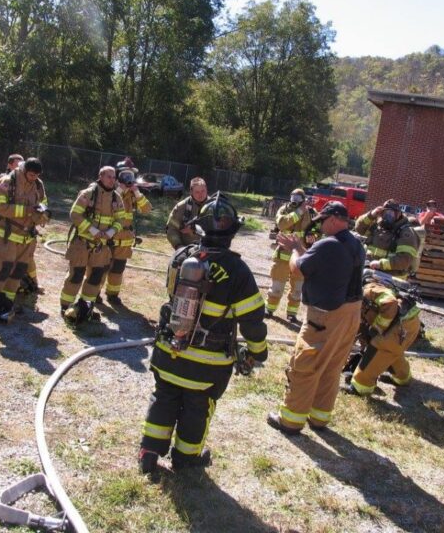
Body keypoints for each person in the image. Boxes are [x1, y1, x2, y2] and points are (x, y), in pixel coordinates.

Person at [139, 193, 268, 473]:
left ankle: (149, 451)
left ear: (199, 227)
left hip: (170, 350)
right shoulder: (238, 270)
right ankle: (186, 458)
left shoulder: (181, 257)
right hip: (207, 366)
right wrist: (258, 352)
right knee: (197, 409)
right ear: (233, 231)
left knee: (164, 397)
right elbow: (252, 321)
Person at [266, 201, 364, 434]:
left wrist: (293, 250)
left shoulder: (328, 244)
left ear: (333, 219)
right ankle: (319, 418)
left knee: (305, 364)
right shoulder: (355, 244)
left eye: (322, 222)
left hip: (324, 317)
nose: (320, 227)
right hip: (351, 314)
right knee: (332, 366)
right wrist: (302, 248)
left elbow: (298, 268)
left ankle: (290, 420)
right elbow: (313, 263)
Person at [0, 158, 49, 321]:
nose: (33, 178)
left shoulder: (38, 184)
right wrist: (28, 210)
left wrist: (42, 214)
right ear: (24, 170)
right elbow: (1, 207)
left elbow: (43, 203)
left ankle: (7, 302)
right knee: (2, 268)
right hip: (5, 234)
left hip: (26, 237)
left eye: (36, 175)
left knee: (18, 270)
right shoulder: (7, 182)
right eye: (31, 175)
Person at [60, 166, 123, 323]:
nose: (112, 180)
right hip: (82, 243)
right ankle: (65, 306)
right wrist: (92, 230)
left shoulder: (116, 198)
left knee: (95, 277)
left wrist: (111, 232)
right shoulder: (88, 193)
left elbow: (121, 219)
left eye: (114, 177)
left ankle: (85, 307)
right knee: (76, 275)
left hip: (101, 247)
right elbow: (75, 214)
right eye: (109, 176)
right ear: (100, 176)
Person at [344, 269, 422, 395]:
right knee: (392, 352)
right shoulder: (374, 291)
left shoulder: (369, 290)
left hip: (398, 330)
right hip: (410, 326)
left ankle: (360, 387)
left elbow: (390, 303)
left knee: (377, 351)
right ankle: (402, 378)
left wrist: (377, 328)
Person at [98, 158, 151, 306]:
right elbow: (106, 204)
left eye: (130, 175)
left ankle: (112, 294)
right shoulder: (109, 191)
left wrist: (137, 192)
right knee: (102, 268)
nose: (128, 178)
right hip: (110, 237)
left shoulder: (133, 194)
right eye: (125, 175)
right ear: (118, 176)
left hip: (125, 240)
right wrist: (120, 190)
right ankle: (94, 293)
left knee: (118, 270)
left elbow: (147, 209)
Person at [266, 188, 314, 324]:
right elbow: (282, 224)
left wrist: (313, 236)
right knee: (277, 286)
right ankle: (269, 309)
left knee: (297, 289)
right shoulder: (284, 209)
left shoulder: (310, 213)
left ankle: (292, 314)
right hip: (282, 256)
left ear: (303, 200)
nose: (294, 201)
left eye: (298, 198)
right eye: (293, 197)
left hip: (300, 257)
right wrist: (299, 212)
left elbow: (316, 229)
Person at [354, 199, 420, 279]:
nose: (388, 216)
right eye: (385, 212)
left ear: (398, 214)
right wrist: (371, 215)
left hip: (392, 278)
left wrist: (381, 264)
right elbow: (359, 228)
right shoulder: (378, 225)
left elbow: (404, 260)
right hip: (370, 271)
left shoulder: (406, 232)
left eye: (391, 213)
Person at [166, 177, 208, 249]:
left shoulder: (214, 206)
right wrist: (178, 246)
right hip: (187, 248)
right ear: (191, 192)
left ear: (207, 189)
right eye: (197, 192)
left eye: (203, 191)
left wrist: (193, 229)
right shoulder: (181, 207)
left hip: (210, 248)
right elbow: (171, 229)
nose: (201, 194)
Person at [0, 154, 24, 230]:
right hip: (0, 223)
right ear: (9, 165)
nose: (20, 168)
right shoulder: (0, 181)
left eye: (22, 165)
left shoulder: (25, 183)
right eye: (17, 165)